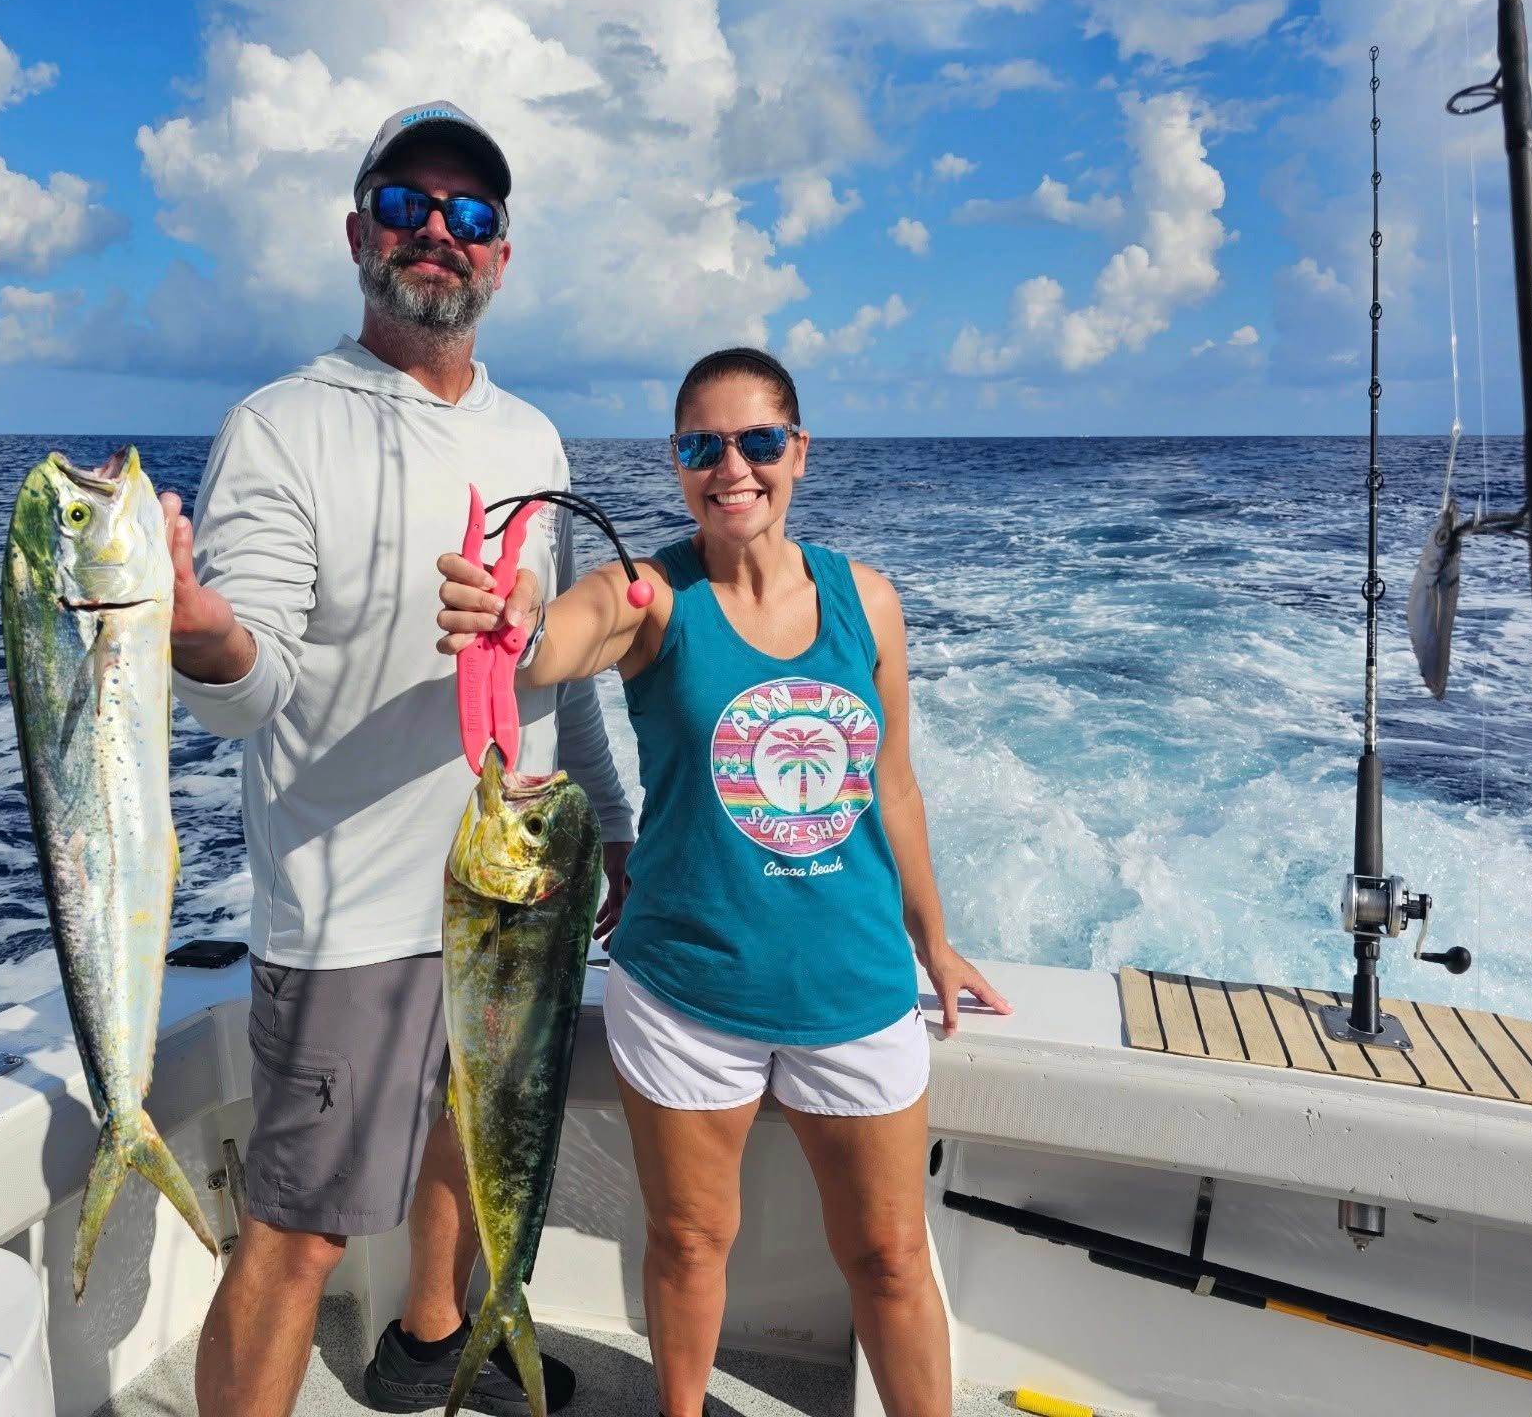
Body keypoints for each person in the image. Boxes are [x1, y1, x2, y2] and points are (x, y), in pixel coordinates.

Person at [163, 99, 634, 1417]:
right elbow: (249, 697)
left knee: (468, 1134)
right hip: (351, 910)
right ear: (359, 231)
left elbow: (558, 662)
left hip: (513, 886)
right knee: (304, 1228)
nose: (440, 232)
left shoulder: (532, 439)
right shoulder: (281, 426)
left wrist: (615, 826)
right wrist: (201, 637)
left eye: (471, 214)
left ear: (501, 254)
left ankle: (432, 1337)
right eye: (412, 206)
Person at [436, 347, 1012, 1417]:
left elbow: (893, 786)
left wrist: (934, 939)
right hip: (688, 986)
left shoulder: (866, 601)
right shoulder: (652, 595)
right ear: (677, 461)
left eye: (758, 441)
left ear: (800, 452)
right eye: (704, 445)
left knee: (889, 1255)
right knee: (692, 1242)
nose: (732, 467)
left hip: (853, 982)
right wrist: (518, 615)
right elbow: (558, 637)